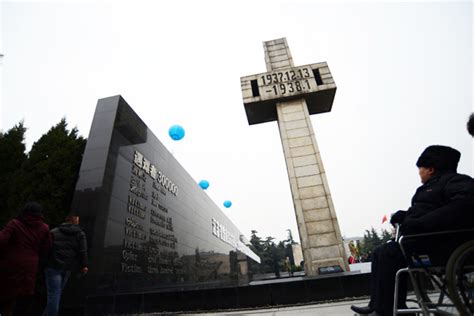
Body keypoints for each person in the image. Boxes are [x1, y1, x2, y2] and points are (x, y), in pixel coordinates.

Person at [351, 145, 473, 315]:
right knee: (380, 252)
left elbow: (459, 208)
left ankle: (385, 310)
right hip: (424, 240)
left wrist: (420, 223)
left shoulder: (456, 182)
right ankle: (376, 304)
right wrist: (404, 216)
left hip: (441, 243)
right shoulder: (430, 187)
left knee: (388, 253)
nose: (419, 172)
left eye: (420, 168)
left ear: (431, 169)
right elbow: (426, 210)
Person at [0, 202, 52, 316]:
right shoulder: (44, 228)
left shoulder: (14, 224)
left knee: (6, 293)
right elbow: (47, 248)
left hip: (10, 263)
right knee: (24, 294)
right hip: (31, 266)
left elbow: (2, 241)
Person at [43, 215, 88, 316]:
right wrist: (84, 265)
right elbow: (83, 251)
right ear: (75, 220)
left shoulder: (53, 231)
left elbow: (46, 249)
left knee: (54, 295)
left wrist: (45, 263)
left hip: (53, 266)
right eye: (77, 218)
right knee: (55, 295)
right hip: (67, 267)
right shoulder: (80, 234)